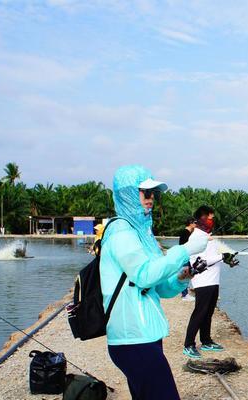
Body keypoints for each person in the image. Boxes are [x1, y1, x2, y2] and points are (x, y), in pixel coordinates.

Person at [100, 165, 208, 400]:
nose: (151, 199)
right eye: (145, 193)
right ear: (128, 193)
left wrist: (181, 278)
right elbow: (144, 275)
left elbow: (159, 287)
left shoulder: (141, 234)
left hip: (146, 335)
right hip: (131, 339)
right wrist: (186, 249)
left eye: (153, 194)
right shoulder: (121, 232)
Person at [183, 205, 239, 359]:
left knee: (208, 312)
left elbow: (214, 254)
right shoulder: (196, 237)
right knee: (199, 313)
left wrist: (228, 259)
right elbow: (199, 261)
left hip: (214, 280)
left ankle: (206, 341)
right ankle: (188, 345)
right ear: (202, 218)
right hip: (203, 281)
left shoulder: (208, 236)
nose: (212, 220)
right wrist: (222, 256)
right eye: (210, 218)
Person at [178, 217, 197, 300]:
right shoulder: (185, 233)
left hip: (186, 256)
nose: (196, 224)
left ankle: (186, 293)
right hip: (184, 257)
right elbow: (186, 246)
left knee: (188, 274)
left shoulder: (189, 232)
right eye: (195, 222)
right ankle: (185, 295)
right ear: (190, 223)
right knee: (186, 274)